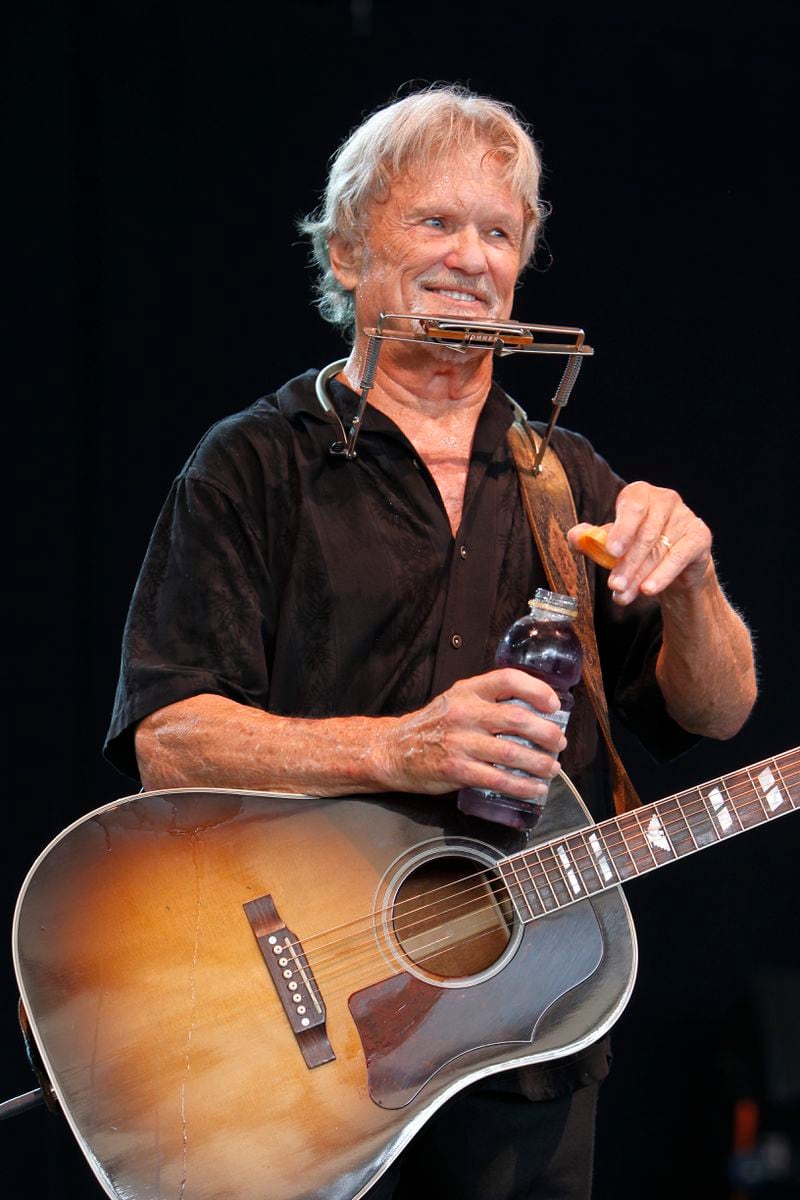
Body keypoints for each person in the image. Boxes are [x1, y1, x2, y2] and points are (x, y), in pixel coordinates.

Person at [104, 84, 757, 1200]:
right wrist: (401, 749)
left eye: (497, 232)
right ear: (350, 251)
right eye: (434, 223)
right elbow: (172, 739)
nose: (469, 257)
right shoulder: (251, 466)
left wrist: (693, 580)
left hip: (524, 1036)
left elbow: (715, 712)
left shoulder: (566, 479)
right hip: (305, 1037)